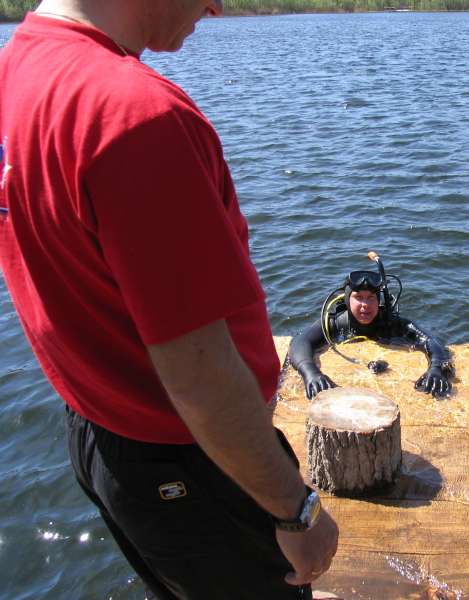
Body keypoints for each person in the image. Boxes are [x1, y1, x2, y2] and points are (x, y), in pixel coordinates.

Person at [0, 2, 337, 599]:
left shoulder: (20, 66)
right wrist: (295, 509)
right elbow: (199, 377)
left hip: (103, 442)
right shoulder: (134, 116)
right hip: (190, 464)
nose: (216, 6)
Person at [289, 253, 454, 400]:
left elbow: (431, 342)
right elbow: (300, 341)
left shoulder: (394, 324)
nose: (365, 305)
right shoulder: (336, 324)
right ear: (347, 300)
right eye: (358, 297)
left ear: (379, 300)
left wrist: (436, 368)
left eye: (371, 298)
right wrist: (310, 372)